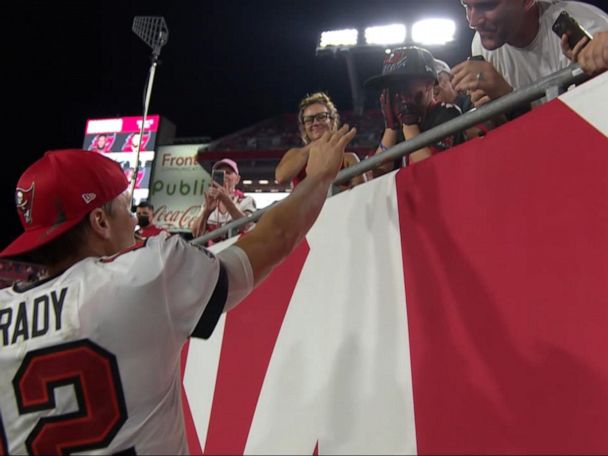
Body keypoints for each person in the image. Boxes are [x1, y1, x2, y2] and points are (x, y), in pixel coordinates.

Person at [0, 125, 355, 453]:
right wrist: (321, 176)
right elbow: (273, 238)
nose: (135, 221)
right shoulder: (143, 271)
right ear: (100, 221)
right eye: (127, 209)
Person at [452, 0, 608, 107]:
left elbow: (577, 130)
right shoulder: (481, 44)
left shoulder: (588, 28)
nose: (472, 22)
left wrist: (508, 100)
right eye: (467, 6)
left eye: (487, 5)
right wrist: (491, 116)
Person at [363, 46, 464, 176]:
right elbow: (377, 175)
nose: (398, 93)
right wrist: (391, 128)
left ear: (428, 84)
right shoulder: (397, 125)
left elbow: (432, 172)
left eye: (404, 83)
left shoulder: (447, 113)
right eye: (391, 87)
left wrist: (409, 126)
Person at [275, 92, 367, 191]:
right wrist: (317, 144)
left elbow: (361, 197)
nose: (315, 123)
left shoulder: (349, 159)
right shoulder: (295, 154)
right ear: (304, 127)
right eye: (309, 119)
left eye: (322, 117)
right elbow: (281, 178)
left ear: (332, 121)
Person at [190, 158, 257, 242]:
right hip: (212, 254)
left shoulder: (246, 200)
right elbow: (196, 234)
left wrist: (226, 200)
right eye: (219, 173)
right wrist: (206, 211)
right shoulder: (209, 202)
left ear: (237, 179)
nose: (224, 175)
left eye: (228, 172)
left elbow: (248, 227)